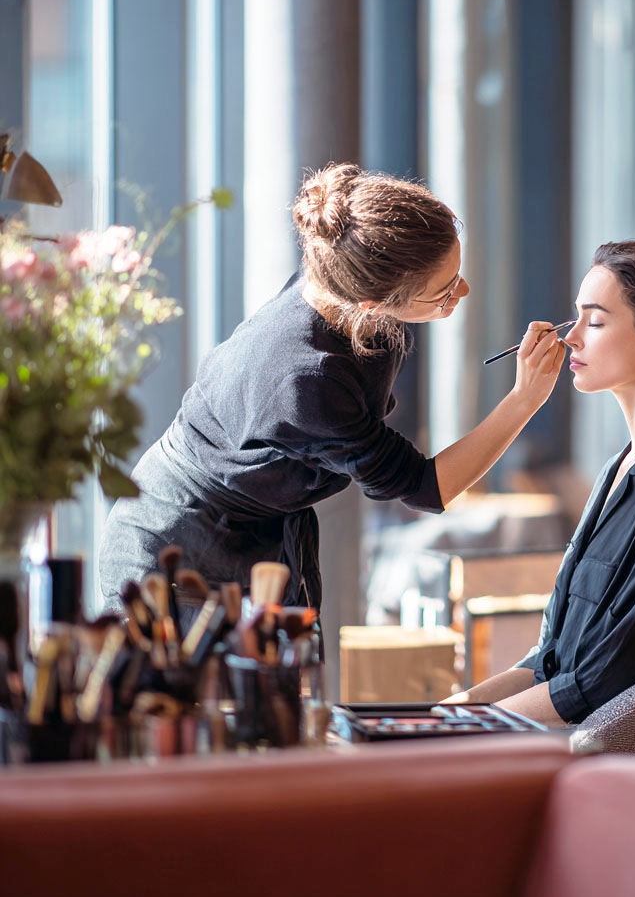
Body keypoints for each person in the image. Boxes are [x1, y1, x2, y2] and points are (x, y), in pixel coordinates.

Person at [98, 163, 564, 614]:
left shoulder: (338, 266)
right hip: (176, 550)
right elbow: (427, 488)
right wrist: (524, 399)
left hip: (247, 527)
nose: (461, 293)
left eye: (457, 274)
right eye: (443, 292)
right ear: (373, 302)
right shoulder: (310, 380)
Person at [445, 240, 635, 726]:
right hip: (568, 735)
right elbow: (552, 658)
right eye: (576, 319)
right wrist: (451, 712)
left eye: (597, 321)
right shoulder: (620, 468)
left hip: (618, 758)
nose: (572, 338)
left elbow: (601, 682)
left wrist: (466, 728)